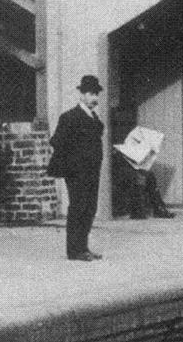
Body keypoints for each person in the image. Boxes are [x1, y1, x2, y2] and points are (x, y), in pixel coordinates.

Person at [47, 75, 105, 261]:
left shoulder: (94, 118)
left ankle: (83, 247)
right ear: (81, 94)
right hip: (76, 172)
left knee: (90, 207)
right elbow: (56, 141)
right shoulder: (70, 117)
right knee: (78, 207)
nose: (94, 98)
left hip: (92, 171)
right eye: (90, 94)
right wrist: (75, 160)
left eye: (96, 94)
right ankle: (74, 250)